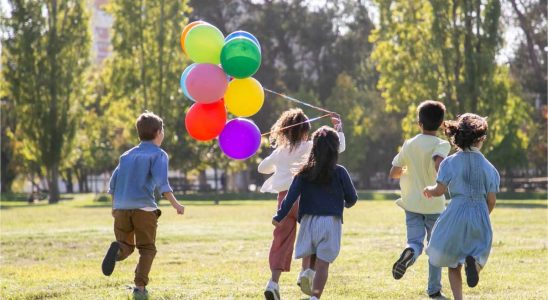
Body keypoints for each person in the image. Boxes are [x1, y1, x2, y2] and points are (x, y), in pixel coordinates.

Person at [259, 108, 345, 300]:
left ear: (284, 131)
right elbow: (338, 148)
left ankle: (273, 283)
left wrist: (277, 160)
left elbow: (262, 168)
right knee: (313, 235)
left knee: (280, 241)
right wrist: (338, 128)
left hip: (284, 201)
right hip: (306, 199)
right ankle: (306, 272)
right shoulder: (309, 147)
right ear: (306, 130)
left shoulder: (280, 152)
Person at [102, 111, 185, 299]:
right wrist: (176, 204)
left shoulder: (126, 155)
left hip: (121, 208)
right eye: (162, 130)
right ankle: (139, 287)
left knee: (126, 245)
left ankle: (118, 251)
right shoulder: (158, 154)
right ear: (158, 133)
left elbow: (113, 184)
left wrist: (115, 208)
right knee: (147, 248)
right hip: (144, 209)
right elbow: (163, 184)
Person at [272, 126, 357, 300]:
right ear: (335, 149)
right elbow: (352, 197)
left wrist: (279, 216)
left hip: (308, 222)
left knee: (311, 253)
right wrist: (345, 203)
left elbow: (290, 197)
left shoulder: (304, 172)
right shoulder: (340, 172)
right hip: (330, 222)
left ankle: (306, 272)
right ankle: (315, 297)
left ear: (314, 147)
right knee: (323, 264)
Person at [424, 113, 499, 300]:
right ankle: (474, 265)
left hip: (455, 213)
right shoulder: (489, 167)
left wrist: (429, 190)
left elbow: (440, 190)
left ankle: (458, 298)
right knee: (480, 252)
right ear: (480, 139)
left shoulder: (450, 162)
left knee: (452, 262)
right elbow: (491, 200)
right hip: (480, 212)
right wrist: (484, 215)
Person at [388, 100, 450, 298]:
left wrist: (408, 170)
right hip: (434, 204)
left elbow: (394, 172)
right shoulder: (442, 144)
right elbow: (438, 163)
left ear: (419, 123)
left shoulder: (409, 144)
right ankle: (434, 290)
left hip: (411, 203)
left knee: (414, 242)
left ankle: (410, 253)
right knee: (435, 249)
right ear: (441, 124)